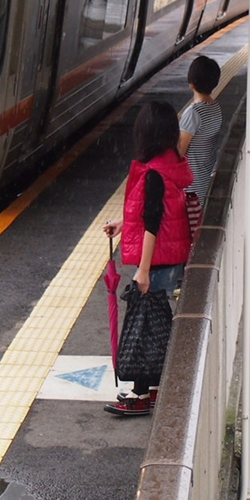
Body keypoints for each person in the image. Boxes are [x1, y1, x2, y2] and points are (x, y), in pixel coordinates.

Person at [102, 100, 194, 416]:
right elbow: (153, 213)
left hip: (157, 261)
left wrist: (143, 270)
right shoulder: (168, 164)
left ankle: (140, 395)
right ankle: (152, 389)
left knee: (144, 327)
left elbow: (153, 222)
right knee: (153, 324)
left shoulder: (153, 172)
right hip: (169, 256)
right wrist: (123, 223)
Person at [178, 55, 223, 211]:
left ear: (192, 83)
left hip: (188, 187)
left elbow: (179, 152)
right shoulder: (215, 108)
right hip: (203, 181)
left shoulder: (193, 113)